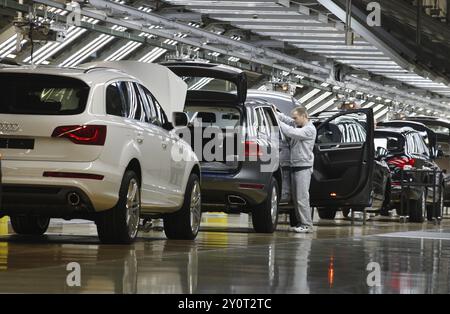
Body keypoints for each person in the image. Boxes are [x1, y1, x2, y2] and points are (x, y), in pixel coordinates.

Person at [275, 106, 316, 233]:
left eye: (296, 118)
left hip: (303, 167)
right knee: (297, 198)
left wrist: (278, 122)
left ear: (304, 116)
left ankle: (307, 225)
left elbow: (291, 132)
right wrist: (275, 112)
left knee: (302, 198)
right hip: (295, 166)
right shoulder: (298, 124)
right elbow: (288, 120)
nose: (294, 120)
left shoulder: (309, 129)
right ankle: (301, 223)